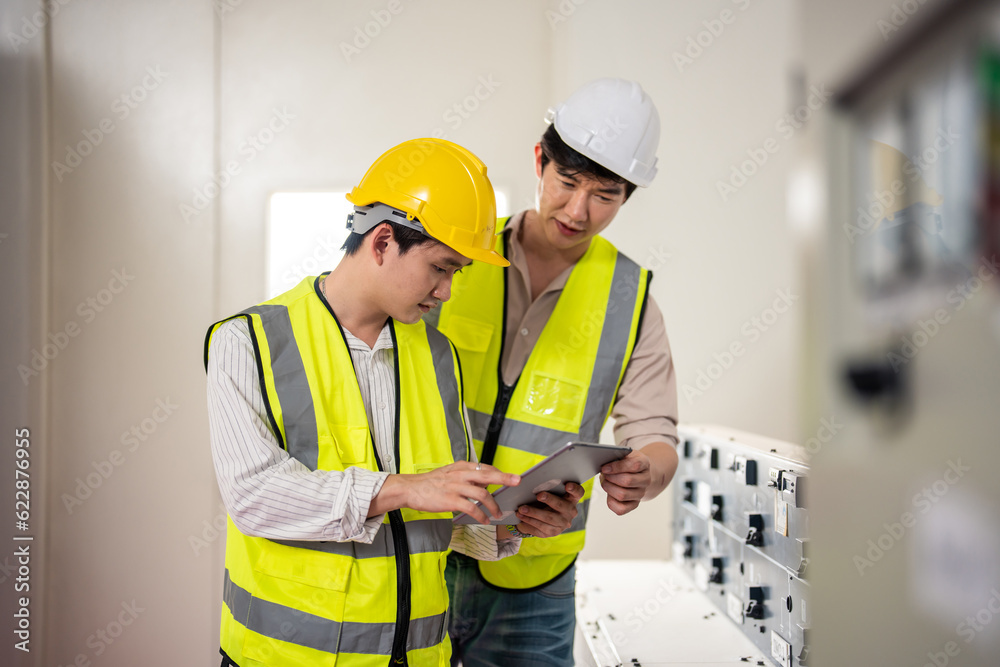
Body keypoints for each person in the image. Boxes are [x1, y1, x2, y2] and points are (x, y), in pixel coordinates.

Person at [205, 138, 528, 667]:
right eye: (441, 267)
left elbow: (439, 512)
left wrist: (512, 519)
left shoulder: (439, 354)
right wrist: (402, 489)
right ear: (382, 242)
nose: (446, 291)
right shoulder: (248, 342)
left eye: (456, 273)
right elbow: (254, 496)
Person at [428, 78, 680, 666]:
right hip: (422, 550)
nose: (577, 211)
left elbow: (656, 434)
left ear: (627, 197)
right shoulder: (457, 257)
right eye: (567, 183)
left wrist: (644, 475)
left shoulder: (631, 300)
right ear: (539, 161)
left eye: (605, 196)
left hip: (534, 581)